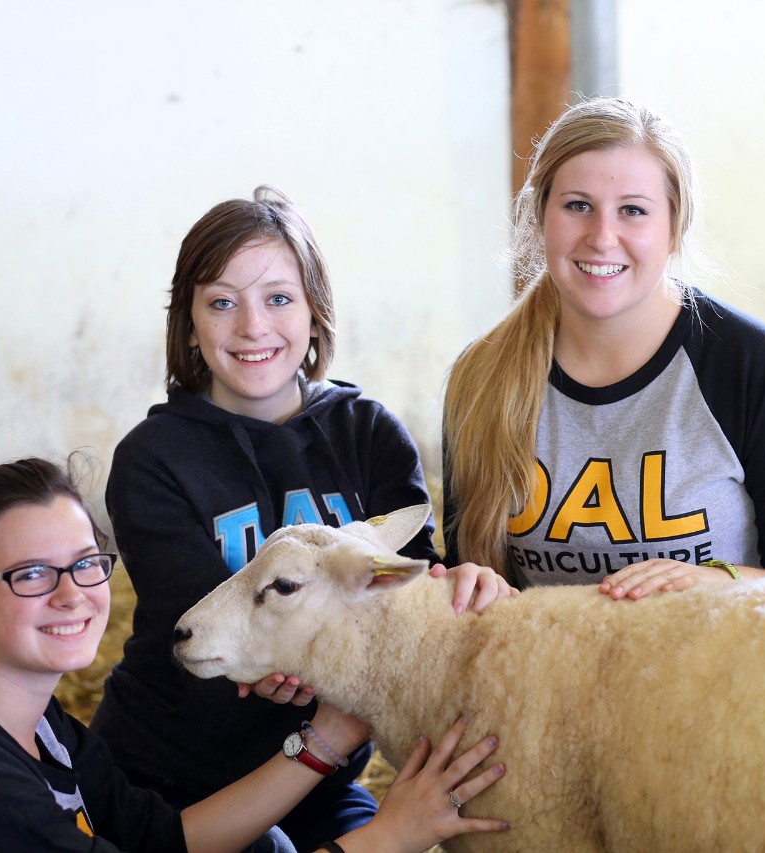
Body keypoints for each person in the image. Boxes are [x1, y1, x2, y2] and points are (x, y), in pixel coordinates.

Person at [90, 186, 515, 851]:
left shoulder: (368, 434)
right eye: (222, 301)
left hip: (322, 782)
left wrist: (459, 584)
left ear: (316, 312)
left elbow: (412, 591)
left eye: (279, 298)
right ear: (191, 323)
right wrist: (337, 661)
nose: (253, 326)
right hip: (172, 777)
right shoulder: (153, 458)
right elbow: (211, 631)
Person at [0, 457, 508, 852]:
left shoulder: (38, 724)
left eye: (85, 564)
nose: (73, 595)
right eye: (31, 574)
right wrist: (387, 837)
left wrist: (328, 736)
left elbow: (167, 840)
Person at [442, 97, 765, 596]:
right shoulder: (481, 376)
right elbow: (473, 578)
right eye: (578, 206)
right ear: (540, 216)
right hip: (549, 672)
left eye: (633, 211)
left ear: (673, 229)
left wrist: (718, 583)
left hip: (719, 668)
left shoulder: (756, 371)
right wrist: (469, 582)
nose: (602, 237)